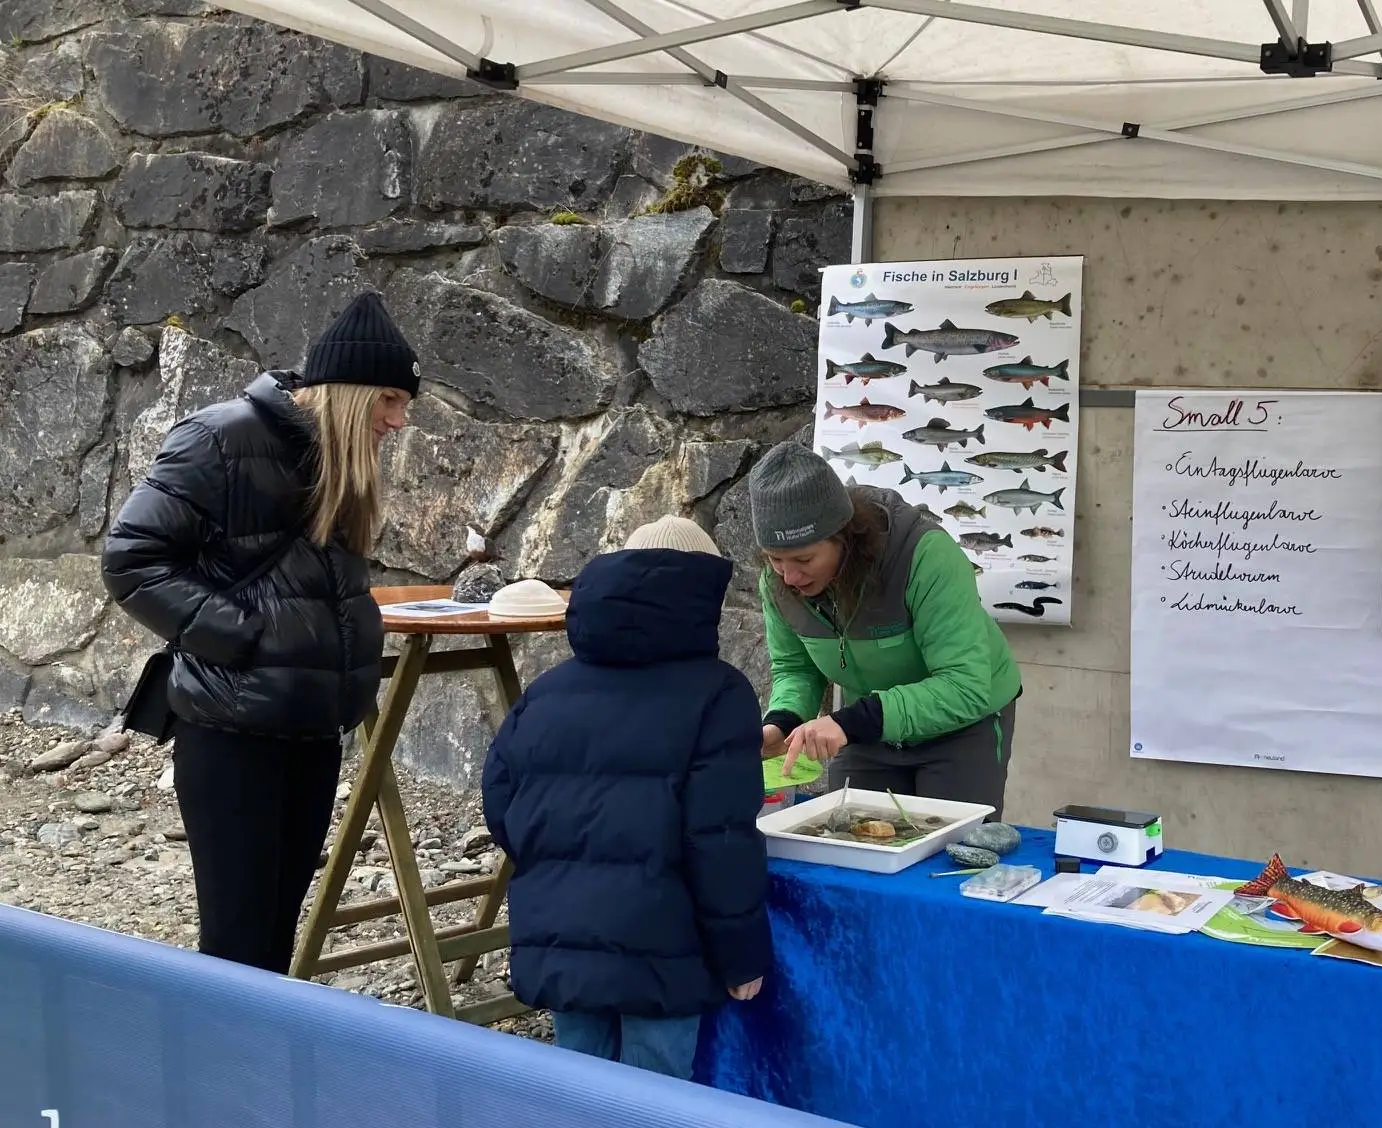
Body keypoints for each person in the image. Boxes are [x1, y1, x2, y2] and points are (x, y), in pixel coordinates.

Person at [100, 292, 420, 975]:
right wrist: (244, 638)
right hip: (231, 729)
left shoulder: (339, 460)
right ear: (348, 393)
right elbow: (131, 559)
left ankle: (260, 1080)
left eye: (404, 405)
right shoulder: (219, 437)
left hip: (309, 730)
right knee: (238, 944)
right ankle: (213, 1081)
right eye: (388, 400)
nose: (397, 421)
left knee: (275, 938)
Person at [481, 515, 770, 1081]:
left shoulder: (546, 692)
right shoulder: (719, 694)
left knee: (577, 1096)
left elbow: (500, 801)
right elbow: (721, 842)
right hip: (665, 948)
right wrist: (741, 955)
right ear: (701, 594)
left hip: (561, 937)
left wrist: (559, 866)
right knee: (653, 1101)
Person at [751, 441, 1022, 816]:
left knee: (951, 852)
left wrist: (854, 721)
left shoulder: (924, 557)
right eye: (775, 559)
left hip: (961, 726)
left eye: (804, 558)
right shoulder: (777, 583)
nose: (790, 576)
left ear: (844, 537)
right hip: (868, 729)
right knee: (849, 841)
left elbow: (965, 685)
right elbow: (796, 669)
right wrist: (782, 721)